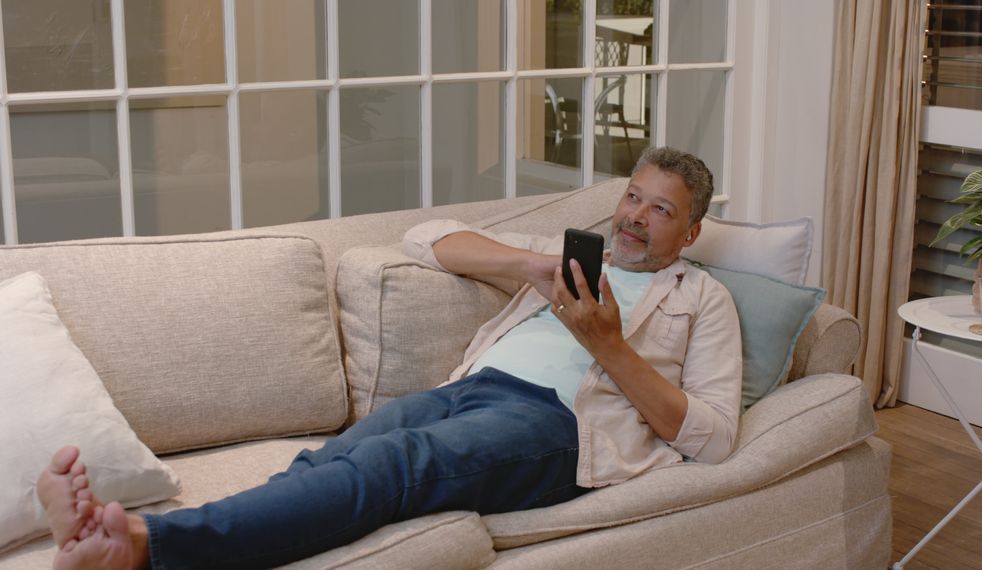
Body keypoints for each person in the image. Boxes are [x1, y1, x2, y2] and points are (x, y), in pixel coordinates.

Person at [37, 147, 742, 570]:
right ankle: (173, 542)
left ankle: (139, 542)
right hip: (473, 386)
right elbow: (425, 239)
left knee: (390, 466)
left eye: (660, 211)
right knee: (328, 460)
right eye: (632, 197)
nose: (632, 217)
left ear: (691, 231)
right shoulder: (564, 262)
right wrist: (530, 266)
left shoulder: (702, 300)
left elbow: (712, 436)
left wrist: (609, 345)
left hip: (557, 427)